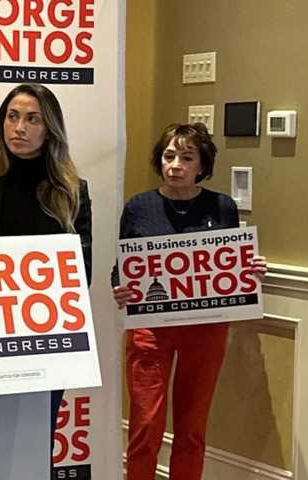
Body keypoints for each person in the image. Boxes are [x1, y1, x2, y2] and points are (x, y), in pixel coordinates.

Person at [112, 123, 267, 480]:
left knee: (192, 428)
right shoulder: (139, 207)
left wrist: (253, 269)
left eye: (186, 157)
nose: (176, 165)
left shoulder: (222, 207)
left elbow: (234, 267)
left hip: (206, 329)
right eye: (169, 156)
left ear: (201, 165)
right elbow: (122, 267)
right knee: (145, 426)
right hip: (151, 328)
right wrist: (119, 286)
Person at [0, 83, 92, 467]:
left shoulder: (72, 191)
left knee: (33, 449)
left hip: (47, 341)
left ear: (50, 129)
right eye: (12, 117)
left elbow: (83, 274)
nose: (20, 127)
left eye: (32, 119)